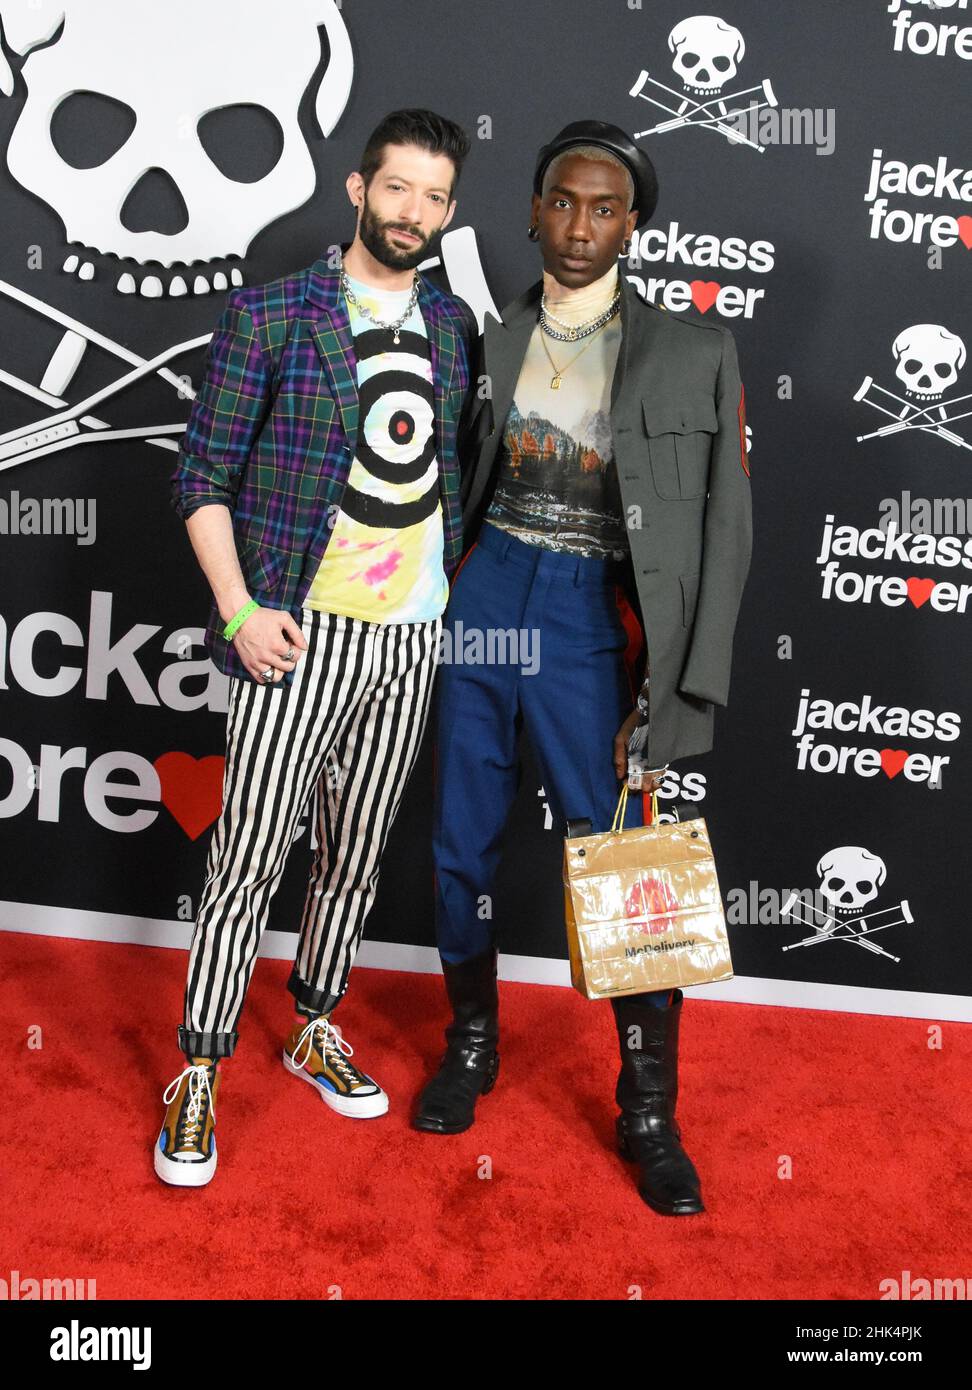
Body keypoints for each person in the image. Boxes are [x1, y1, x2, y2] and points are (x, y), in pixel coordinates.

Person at [415, 121, 752, 1217]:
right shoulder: (491, 335)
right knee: (461, 838)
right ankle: (471, 1043)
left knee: (625, 865)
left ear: (633, 226)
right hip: (487, 593)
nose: (578, 226)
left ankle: (649, 1112)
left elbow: (724, 537)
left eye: (604, 208)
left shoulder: (694, 351)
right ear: (532, 208)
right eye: (562, 202)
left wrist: (670, 688)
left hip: (593, 620)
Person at [155, 108, 476, 1187]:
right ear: (356, 188)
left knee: (354, 851)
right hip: (299, 634)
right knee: (247, 856)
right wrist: (241, 610)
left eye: (435, 197)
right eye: (397, 191)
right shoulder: (276, 314)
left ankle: (313, 1018)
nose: (414, 214)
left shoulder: (453, 322)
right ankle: (198, 1067)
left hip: (411, 639)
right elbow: (200, 475)